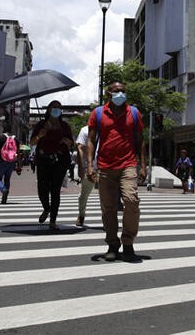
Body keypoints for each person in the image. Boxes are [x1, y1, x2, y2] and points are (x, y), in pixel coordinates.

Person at [86, 81, 146, 262]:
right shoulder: (97, 113)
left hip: (128, 164)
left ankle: (128, 242)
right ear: (109, 93)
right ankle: (112, 244)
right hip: (105, 166)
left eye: (123, 91)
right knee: (109, 208)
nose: (120, 94)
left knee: (131, 200)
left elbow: (140, 140)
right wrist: (89, 165)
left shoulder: (134, 113)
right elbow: (91, 140)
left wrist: (143, 165)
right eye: (117, 91)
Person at [30, 100, 74, 230]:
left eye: (59, 108)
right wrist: (40, 135)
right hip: (43, 160)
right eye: (54, 107)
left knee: (55, 190)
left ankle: (53, 220)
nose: (57, 109)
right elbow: (32, 142)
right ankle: (47, 208)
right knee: (42, 188)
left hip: (60, 160)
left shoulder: (64, 126)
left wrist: (67, 141)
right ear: (48, 110)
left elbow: (71, 143)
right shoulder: (41, 125)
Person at [0, 130, 20, 204]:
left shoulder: (0, 138)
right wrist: (19, 165)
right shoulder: (15, 139)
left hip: (0, 161)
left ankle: (3, 190)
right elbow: (18, 153)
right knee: (7, 179)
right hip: (11, 162)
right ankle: (4, 198)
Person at [75, 124, 94, 226]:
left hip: (105, 166)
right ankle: (81, 215)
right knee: (84, 195)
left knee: (107, 195)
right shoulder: (85, 130)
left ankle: (108, 218)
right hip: (88, 167)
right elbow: (80, 147)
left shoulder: (108, 127)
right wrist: (81, 167)